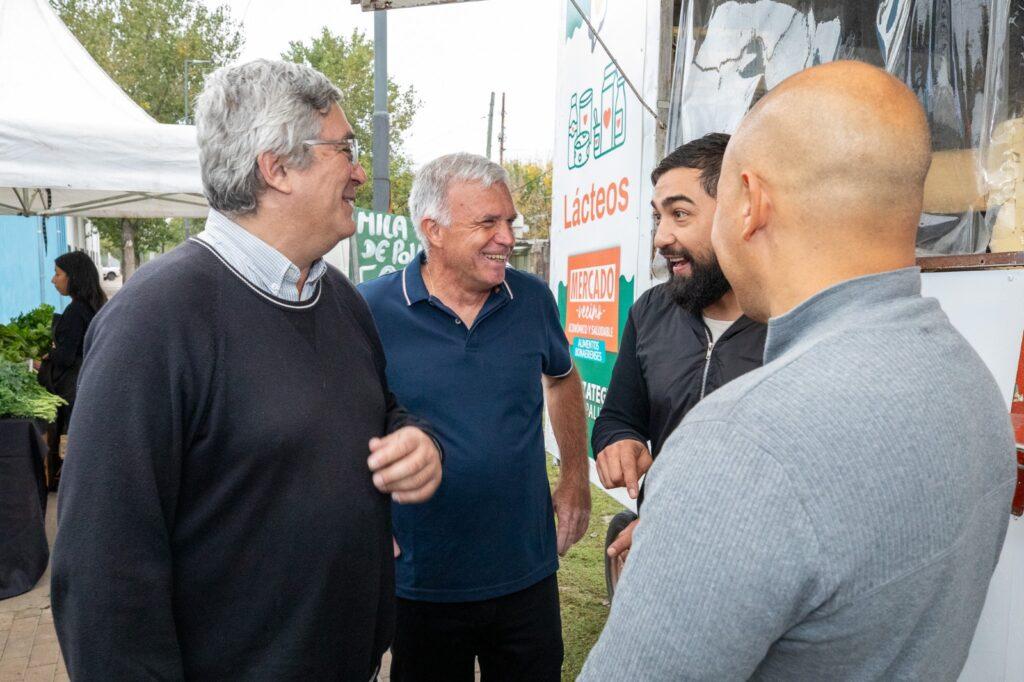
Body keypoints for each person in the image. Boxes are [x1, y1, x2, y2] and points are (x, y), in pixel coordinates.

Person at [581, 60, 1016, 679]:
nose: (661, 238)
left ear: (750, 203)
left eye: (687, 212)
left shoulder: (741, 440)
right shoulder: (967, 381)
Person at [51, 59, 443, 680]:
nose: (359, 172)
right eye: (344, 149)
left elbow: (378, 409)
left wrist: (413, 437)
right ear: (276, 167)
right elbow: (103, 577)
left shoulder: (340, 300)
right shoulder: (151, 323)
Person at [359, 152, 590, 682]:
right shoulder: (370, 309)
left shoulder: (531, 298)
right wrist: (362, 520)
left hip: (526, 572)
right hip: (421, 579)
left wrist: (576, 476)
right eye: (488, 222)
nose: (507, 238)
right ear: (433, 230)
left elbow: (562, 377)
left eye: (509, 221)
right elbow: (340, 422)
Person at [591, 134, 766, 586]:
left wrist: (678, 528)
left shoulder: (795, 319)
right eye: (658, 217)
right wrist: (619, 441)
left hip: (760, 574)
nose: (661, 238)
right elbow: (618, 417)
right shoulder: (650, 311)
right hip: (661, 554)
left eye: (680, 214)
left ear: (742, 210)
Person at [35, 251, 107, 490]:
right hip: (89, 382)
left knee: (71, 436)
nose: (53, 280)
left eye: (57, 274)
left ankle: (69, 481)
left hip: (73, 387)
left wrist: (47, 356)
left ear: (73, 277)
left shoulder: (75, 311)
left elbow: (66, 357)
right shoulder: (94, 305)